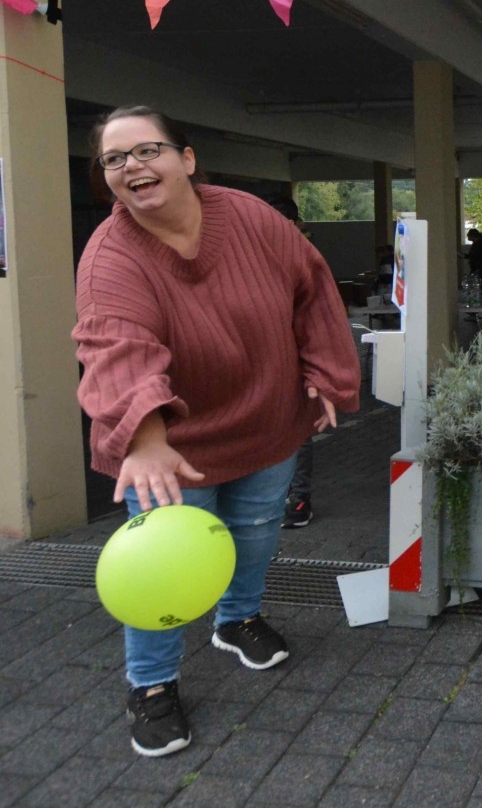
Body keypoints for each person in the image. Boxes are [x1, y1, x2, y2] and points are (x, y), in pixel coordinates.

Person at [74, 106, 361, 757]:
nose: (132, 167)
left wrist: (323, 368)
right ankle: (149, 684)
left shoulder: (251, 217)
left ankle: (238, 620)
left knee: (256, 534)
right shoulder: (110, 256)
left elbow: (311, 287)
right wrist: (144, 438)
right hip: (172, 450)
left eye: (147, 150)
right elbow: (114, 344)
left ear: (186, 158)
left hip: (265, 418)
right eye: (115, 160)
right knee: (159, 571)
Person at [269, 196, 318, 529]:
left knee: (296, 431)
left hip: (289, 356)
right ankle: (287, 499)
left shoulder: (300, 256)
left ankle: (296, 500)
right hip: (268, 357)